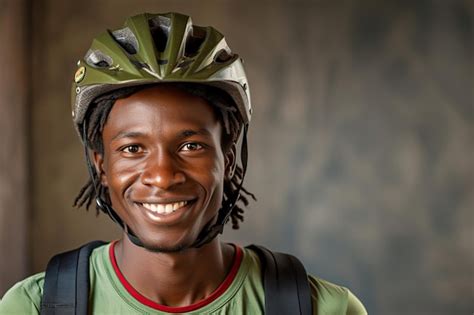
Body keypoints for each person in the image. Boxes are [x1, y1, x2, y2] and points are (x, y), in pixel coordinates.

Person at [0, 12, 367, 314]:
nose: (162, 176)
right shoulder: (34, 307)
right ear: (101, 167)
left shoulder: (324, 309)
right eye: (132, 149)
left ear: (229, 159)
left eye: (191, 145)